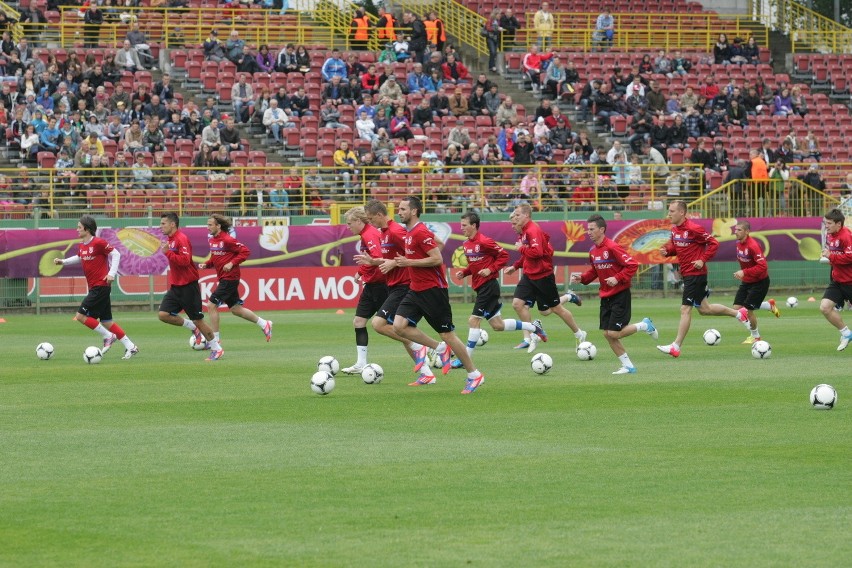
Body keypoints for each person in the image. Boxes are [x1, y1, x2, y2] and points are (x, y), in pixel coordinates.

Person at [390, 197, 486, 394]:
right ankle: (439, 348)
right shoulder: (409, 233)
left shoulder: (421, 231)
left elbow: (437, 258)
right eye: (399, 209)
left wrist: (409, 263)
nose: (399, 212)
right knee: (398, 326)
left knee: (447, 334)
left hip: (433, 290)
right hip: (416, 289)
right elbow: (432, 248)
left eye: (403, 209)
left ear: (414, 211)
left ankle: (474, 375)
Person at [451, 211, 546, 368]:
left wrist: (490, 269)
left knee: (473, 320)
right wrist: (466, 272)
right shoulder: (467, 244)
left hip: (489, 286)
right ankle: (533, 327)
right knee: (498, 325)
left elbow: (503, 256)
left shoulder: (484, 241)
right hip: (481, 287)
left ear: (473, 226)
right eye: (461, 225)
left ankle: (465, 359)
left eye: (464, 225)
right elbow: (475, 265)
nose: (461, 228)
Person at [656, 200, 750, 358]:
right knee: (705, 309)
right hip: (688, 274)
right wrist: (667, 250)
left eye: (672, 211)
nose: (668, 214)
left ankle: (676, 346)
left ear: (682, 213)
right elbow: (675, 246)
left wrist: (702, 259)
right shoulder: (675, 230)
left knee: (685, 309)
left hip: (695, 275)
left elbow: (713, 243)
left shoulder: (694, 228)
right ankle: (739, 314)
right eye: (669, 211)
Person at [361, 199, 438, 385]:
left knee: (379, 324)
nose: (370, 223)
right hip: (394, 285)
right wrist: (374, 262)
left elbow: (416, 252)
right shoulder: (385, 233)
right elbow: (392, 258)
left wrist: (395, 263)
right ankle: (427, 374)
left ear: (380, 215)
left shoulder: (396, 231)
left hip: (405, 285)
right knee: (403, 331)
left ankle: (430, 347)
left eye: (371, 219)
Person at [570, 214, 657, 374]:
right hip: (605, 296)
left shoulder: (612, 247)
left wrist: (617, 278)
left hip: (620, 294)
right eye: (587, 229)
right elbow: (594, 272)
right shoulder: (593, 251)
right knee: (607, 334)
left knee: (614, 333)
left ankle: (645, 325)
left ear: (602, 229)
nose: (588, 232)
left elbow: (632, 265)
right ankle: (628, 366)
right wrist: (582, 278)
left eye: (591, 229)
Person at [52, 215, 139, 359]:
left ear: (87, 229)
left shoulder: (98, 242)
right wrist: (63, 261)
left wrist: (111, 274)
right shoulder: (82, 245)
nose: (77, 229)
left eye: (79, 227)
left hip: (101, 286)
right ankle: (131, 347)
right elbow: (79, 257)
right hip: (96, 287)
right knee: (106, 321)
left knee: (80, 316)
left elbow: (116, 254)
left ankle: (108, 336)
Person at [505, 204, 586, 353]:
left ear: (526, 215)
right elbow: (528, 256)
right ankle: (531, 335)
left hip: (543, 276)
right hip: (530, 276)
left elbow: (537, 252)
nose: (514, 219)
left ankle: (579, 332)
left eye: (517, 215)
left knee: (552, 310)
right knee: (517, 304)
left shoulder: (532, 230)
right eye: (514, 217)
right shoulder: (523, 232)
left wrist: (520, 248)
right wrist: (515, 267)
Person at [198, 214, 272, 347]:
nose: (207, 227)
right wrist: (207, 264)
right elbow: (216, 258)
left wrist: (232, 263)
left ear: (218, 226)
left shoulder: (227, 239)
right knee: (236, 309)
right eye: (207, 224)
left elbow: (245, 251)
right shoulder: (213, 240)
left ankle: (215, 340)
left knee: (211, 305)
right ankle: (264, 323)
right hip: (224, 278)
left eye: (210, 225)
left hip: (230, 278)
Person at [158, 212, 223, 361]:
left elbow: (185, 261)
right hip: (176, 286)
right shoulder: (170, 239)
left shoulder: (181, 238)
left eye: (163, 223)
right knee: (163, 314)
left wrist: (168, 253)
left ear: (172, 224)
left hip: (188, 286)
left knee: (198, 320)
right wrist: (168, 252)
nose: (160, 226)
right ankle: (193, 329)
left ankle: (216, 348)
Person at [341, 207, 388, 374]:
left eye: (349, 223)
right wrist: (360, 272)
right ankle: (361, 363)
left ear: (359, 221)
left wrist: (364, 272)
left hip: (381, 286)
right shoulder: (366, 235)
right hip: (372, 285)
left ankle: (424, 350)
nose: (348, 227)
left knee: (396, 327)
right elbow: (369, 259)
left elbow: (377, 259)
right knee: (359, 322)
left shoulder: (370, 235)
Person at [723, 220, 782, 345]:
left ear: (747, 231)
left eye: (739, 230)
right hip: (747, 281)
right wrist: (743, 274)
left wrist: (744, 272)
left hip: (760, 282)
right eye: (735, 230)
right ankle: (768, 305)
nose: (736, 232)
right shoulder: (738, 244)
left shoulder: (753, 246)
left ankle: (756, 337)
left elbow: (763, 266)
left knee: (749, 310)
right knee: (737, 309)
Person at [819, 208, 852, 351]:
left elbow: (850, 256)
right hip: (838, 281)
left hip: (851, 281)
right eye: (825, 223)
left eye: (829, 223)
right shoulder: (830, 235)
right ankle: (846, 333)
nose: (826, 226)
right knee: (825, 307)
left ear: (838, 224)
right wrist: (827, 257)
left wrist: (831, 256)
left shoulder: (846, 236)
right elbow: (835, 255)